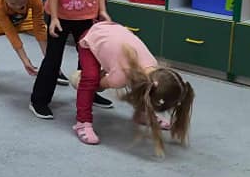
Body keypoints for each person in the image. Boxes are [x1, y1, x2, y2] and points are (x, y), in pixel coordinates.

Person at [68, 22, 194, 155]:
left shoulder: (153, 66)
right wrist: (81, 80)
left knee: (140, 83)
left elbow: (143, 87)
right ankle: (83, 122)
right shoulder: (120, 77)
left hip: (114, 31)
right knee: (90, 80)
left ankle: (143, 115)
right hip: (91, 37)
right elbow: (98, 86)